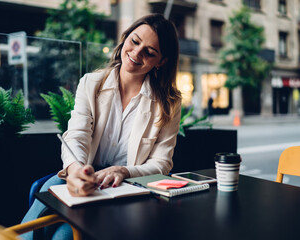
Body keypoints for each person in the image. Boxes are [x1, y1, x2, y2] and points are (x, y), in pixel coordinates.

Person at [21, 13, 181, 240]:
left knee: (63, 236)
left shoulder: (169, 103)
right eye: (135, 42)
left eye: (150, 52)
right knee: (32, 229)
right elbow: (77, 134)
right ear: (125, 38)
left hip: (125, 189)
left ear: (161, 61)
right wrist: (76, 170)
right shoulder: (91, 83)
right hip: (82, 176)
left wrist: (123, 170)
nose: (136, 53)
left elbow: (162, 163)